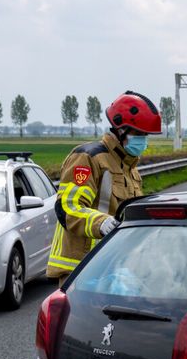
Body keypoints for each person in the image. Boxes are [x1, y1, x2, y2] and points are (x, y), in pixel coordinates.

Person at [46, 91, 161, 284]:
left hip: (115, 267)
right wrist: (101, 223)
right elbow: (68, 207)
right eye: (138, 134)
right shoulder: (88, 158)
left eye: (145, 135)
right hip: (81, 269)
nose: (143, 140)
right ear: (121, 130)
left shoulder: (130, 168)